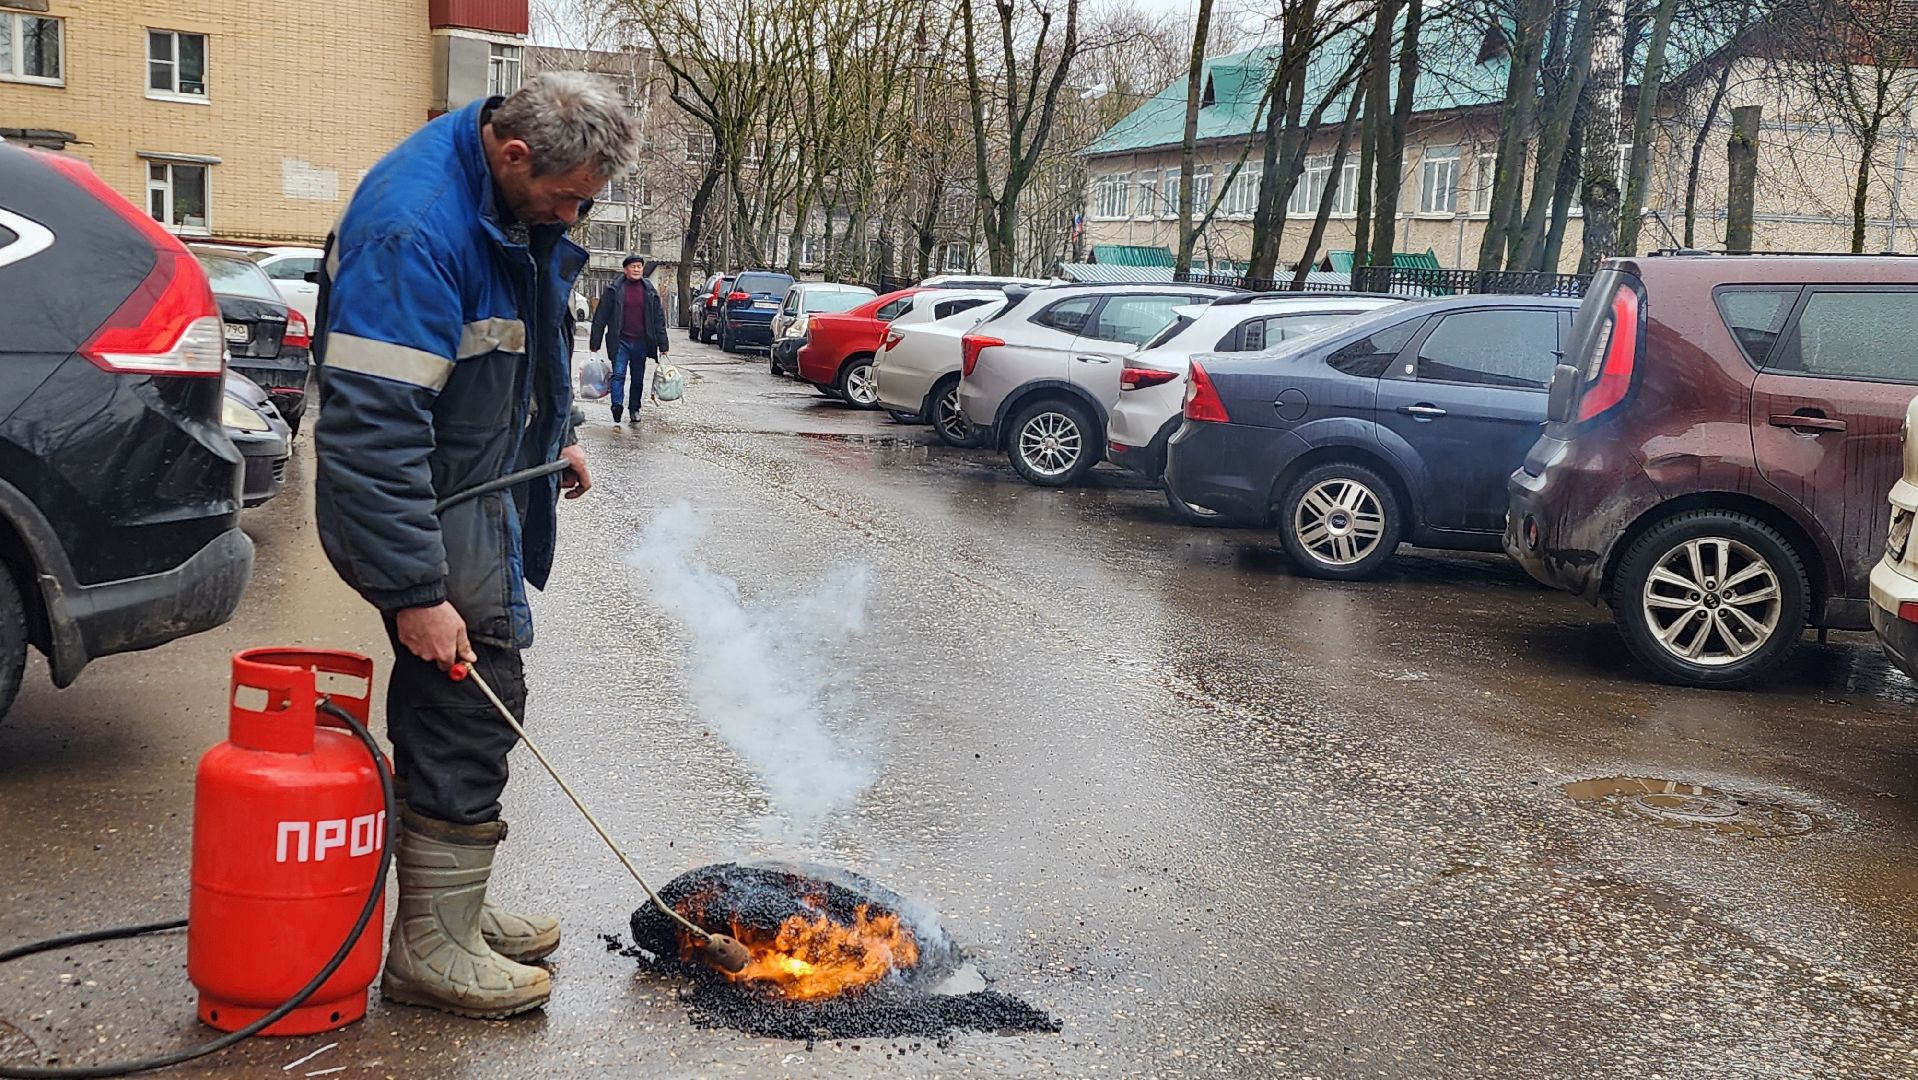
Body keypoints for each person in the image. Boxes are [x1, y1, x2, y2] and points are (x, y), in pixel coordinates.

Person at [312, 73, 638, 1020]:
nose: (575, 214)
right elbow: (370, 429)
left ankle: (453, 906)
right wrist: (416, 589)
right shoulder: (415, 230)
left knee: (469, 685)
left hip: (477, 480)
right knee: (468, 690)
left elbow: (529, 334)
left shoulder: (508, 205)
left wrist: (558, 434)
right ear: (514, 153)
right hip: (427, 494)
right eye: (570, 196)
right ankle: (430, 950)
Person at [588, 254, 669, 424]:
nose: (637, 269)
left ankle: (634, 409)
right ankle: (617, 406)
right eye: (633, 267)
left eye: (639, 266)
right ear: (625, 270)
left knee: (638, 378)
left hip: (641, 341)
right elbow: (601, 316)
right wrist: (594, 343)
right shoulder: (614, 290)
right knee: (618, 375)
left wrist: (663, 344)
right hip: (620, 341)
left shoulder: (649, 290)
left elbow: (658, 318)